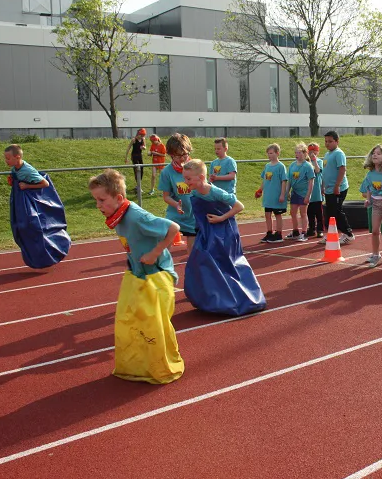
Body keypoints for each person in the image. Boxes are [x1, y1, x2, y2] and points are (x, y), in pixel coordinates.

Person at [88, 168, 184, 384]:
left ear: (118, 198)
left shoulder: (136, 216)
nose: (98, 205)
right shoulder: (117, 216)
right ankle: (139, 364)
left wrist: (154, 253)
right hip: (138, 274)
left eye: (102, 200)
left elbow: (173, 228)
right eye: (96, 200)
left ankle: (162, 367)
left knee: (153, 326)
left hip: (157, 276)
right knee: (131, 320)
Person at [182, 159, 266, 316]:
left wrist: (221, 218)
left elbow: (239, 206)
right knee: (200, 261)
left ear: (201, 178)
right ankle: (211, 299)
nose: (185, 182)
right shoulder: (194, 192)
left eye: (188, 179)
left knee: (227, 265)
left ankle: (241, 299)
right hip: (207, 232)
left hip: (224, 233)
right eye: (184, 178)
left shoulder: (215, 192)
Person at [158, 133, 197, 253]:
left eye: (185, 154)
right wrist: (176, 204)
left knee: (193, 251)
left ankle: (193, 271)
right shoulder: (167, 172)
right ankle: (163, 269)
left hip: (193, 215)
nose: (182, 159)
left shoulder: (196, 167)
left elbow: (204, 189)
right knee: (165, 249)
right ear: (170, 155)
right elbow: (166, 196)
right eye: (177, 156)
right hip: (175, 215)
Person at [320, 131, 354, 243]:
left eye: (330, 141)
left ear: (337, 141)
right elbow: (325, 172)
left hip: (338, 188)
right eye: (326, 141)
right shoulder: (327, 154)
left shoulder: (339, 153)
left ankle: (348, 234)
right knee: (330, 213)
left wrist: (337, 186)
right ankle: (332, 235)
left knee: (336, 211)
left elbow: (342, 169)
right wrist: (323, 186)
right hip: (329, 189)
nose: (327, 143)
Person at [256, 143, 288, 243]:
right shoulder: (267, 166)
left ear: (277, 153)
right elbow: (264, 180)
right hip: (268, 196)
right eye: (268, 153)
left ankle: (279, 234)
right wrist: (260, 190)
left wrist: (282, 194)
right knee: (267, 214)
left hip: (277, 195)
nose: (269, 155)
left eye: (271, 153)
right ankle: (269, 232)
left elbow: (284, 181)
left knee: (278, 214)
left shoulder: (281, 166)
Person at [286, 143, 316, 241]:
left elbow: (311, 181)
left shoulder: (308, 166)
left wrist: (308, 195)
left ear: (305, 153)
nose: (297, 154)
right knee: (293, 212)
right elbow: (289, 180)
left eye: (299, 152)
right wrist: (287, 192)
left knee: (303, 213)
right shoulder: (292, 165)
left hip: (303, 193)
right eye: (296, 152)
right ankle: (295, 231)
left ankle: (304, 232)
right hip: (295, 192)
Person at [306, 143, 325, 239]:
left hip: (317, 191)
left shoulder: (320, 161)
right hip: (308, 191)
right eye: (310, 150)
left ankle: (320, 229)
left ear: (318, 151)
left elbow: (317, 171)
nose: (312, 152)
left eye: (314, 150)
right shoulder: (305, 162)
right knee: (309, 212)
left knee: (318, 212)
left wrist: (314, 160)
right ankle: (311, 228)